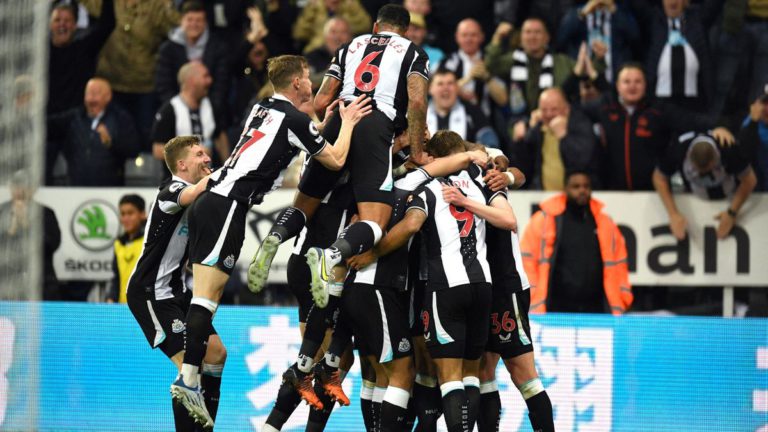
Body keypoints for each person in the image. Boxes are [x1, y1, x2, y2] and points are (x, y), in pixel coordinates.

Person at [170, 55, 371, 428]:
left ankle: (200, 384)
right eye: (309, 78)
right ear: (297, 83)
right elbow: (337, 157)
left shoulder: (262, 107)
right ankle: (188, 380)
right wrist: (350, 123)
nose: (312, 84)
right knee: (205, 300)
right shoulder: (296, 120)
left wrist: (323, 125)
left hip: (210, 199)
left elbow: (297, 135)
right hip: (231, 205)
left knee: (204, 296)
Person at [247, 5, 430, 310]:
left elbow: (321, 99)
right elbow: (418, 100)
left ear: (375, 27)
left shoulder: (351, 45)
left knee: (304, 205)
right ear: (405, 31)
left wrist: (331, 122)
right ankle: (329, 256)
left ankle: (275, 236)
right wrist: (417, 150)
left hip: (340, 117)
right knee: (375, 222)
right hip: (374, 124)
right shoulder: (413, 52)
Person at [389, 131, 516, 432]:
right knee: (473, 374)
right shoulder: (480, 181)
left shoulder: (424, 186)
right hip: (483, 286)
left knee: (448, 377)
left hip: (445, 287)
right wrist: (505, 173)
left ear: (434, 158)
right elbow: (509, 218)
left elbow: (407, 218)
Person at [126, 135, 227, 430]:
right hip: (151, 294)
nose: (207, 158)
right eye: (199, 154)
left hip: (177, 292)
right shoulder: (172, 189)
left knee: (217, 353)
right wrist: (234, 166)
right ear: (182, 164)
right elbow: (194, 193)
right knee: (189, 370)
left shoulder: (197, 194)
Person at [521, 170, 633, 314]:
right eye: (576, 186)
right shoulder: (544, 220)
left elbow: (620, 264)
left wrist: (623, 298)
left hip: (598, 310)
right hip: (554, 309)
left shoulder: (605, 223)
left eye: (586, 186)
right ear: (565, 189)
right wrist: (532, 297)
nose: (582, 190)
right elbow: (527, 262)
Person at [96, 0, 180, 151]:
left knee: (146, 135)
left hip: (144, 86)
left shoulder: (156, 5)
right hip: (112, 83)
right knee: (113, 135)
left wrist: (168, 6)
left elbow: (178, 25)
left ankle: (146, 173)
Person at [654, 132, 757, 240]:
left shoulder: (728, 149)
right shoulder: (678, 149)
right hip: (692, 198)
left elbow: (749, 180)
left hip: (729, 195)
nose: (703, 174)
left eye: (708, 169)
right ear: (689, 155)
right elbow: (659, 178)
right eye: (698, 169)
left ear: (716, 156)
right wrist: (673, 214)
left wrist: (732, 212)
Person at [47, 78, 141, 186]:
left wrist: (111, 143)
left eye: (96, 93)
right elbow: (46, 128)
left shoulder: (121, 119)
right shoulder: (73, 118)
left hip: (110, 191)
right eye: (88, 93)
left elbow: (133, 150)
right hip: (75, 190)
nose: (91, 98)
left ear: (108, 96)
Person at [485, 18, 578, 119]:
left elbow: (582, 73)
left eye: (537, 32)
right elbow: (490, 65)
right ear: (521, 38)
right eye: (528, 32)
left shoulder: (563, 62)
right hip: (519, 120)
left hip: (554, 118)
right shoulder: (513, 60)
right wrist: (497, 38)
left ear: (547, 38)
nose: (532, 37)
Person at [155, 1, 230, 122]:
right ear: (181, 21)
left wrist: (209, 110)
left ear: (205, 23)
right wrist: (178, 110)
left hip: (211, 112)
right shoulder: (168, 49)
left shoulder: (218, 47)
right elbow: (164, 85)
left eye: (198, 20)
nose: (194, 24)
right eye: (189, 20)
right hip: (176, 112)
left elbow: (221, 85)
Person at [151, 62, 230, 177]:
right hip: (179, 182)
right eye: (205, 76)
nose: (210, 81)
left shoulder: (212, 106)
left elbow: (220, 137)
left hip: (207, 179)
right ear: (192, 80)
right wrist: (188, 155)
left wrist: (227, 167)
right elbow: (157, 150)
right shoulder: (169, 110)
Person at [516, 87, 597, 190]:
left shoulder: (582, 125)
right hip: (543, 197)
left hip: (574, 199)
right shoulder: (537, 129)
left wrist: (564, 137)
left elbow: (583, 163)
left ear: (566, 109)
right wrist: (519, 142)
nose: (549, 114)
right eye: (544, 110)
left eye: (554, 109)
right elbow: (524, 167)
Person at [0, 170, 61, 301]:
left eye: (25, 186)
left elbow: (54, 244)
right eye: (16, 186)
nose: (20, 191)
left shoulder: (46, 213)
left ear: (33, 189)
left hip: (42, 284)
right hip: (7, 284)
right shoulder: (2, 211)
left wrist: (27, 226)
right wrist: (12, 228)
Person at [47, 0, 115, 116]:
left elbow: (107, 24)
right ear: (50, 25)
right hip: (48, 118)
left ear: (75, 26)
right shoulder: (41, 55)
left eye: (67, 20)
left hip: (77, 120)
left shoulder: (85, 49)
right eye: (57, 20)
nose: (62, 24)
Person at [439, 18, 507, 118]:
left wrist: (487, 77)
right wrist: (467, 80)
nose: (469, 39)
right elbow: (436, 92)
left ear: (482, 37)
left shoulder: (491, 62)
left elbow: (503, 100)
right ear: (457, 37)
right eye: (464, 35)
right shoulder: (447, 62)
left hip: (485, 119)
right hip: (451, 118)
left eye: (473, 35)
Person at [427, 69, 500, 148]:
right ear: (430, 89)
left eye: (450, 83)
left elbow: (487, 135)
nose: (445, 88)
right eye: (440, 84)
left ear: (457, 88)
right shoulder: (420, 113)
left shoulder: (472, 110)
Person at [293, 0, 372, 53]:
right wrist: (310, 12)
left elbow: (365, 26)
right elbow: (299, 33)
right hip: (317, 48)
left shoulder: (350, 5)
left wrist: (352, 8)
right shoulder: (314, 7)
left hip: (347, 48)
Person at [109, 194, 146, 304]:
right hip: (122, 308)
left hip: (144, 308)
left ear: (143, 214)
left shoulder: (149, 242)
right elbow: (116, 277)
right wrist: (111, 298)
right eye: (123, 214)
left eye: (130, 213)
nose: (125, 218)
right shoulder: (118, 243)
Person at [305, 17, 353, 89]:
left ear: (350, 36)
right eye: (333, 32)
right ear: (325, 35)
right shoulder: (312, 56)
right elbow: (309, 83)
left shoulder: (356, 57)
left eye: (343, 32)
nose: (338, 37)